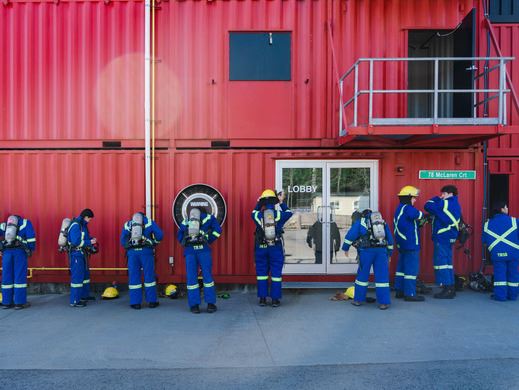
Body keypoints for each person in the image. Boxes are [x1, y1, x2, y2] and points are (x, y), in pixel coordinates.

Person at [342, 209, 394, 310]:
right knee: (382, 278)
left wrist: (345, 248)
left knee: (362, 276)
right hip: (381, 252)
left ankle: (358, 300)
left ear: (363, 215)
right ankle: (384, 303)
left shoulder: (361, 222)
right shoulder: (382, 222)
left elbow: (350, 235)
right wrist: (389, 253)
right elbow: (390, 239)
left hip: (366, 252)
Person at [251, 189, 293, 307]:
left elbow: (253, 211)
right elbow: (289, 212)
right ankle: (275, 300)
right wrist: (280, 202)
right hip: (275, 247)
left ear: (263, 202)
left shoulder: (258, 215)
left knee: (261, 274)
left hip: (261, 247)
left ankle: (262, 299)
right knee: (276, 274)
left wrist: (259, 203)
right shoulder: (279, 215)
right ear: (274, 201)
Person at [177, 207, 222, 314]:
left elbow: (179, 235)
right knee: (207, 277)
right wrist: (209, 240)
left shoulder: (187, 219)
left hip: (190, 252)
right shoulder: (209, 217)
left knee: (192, 278)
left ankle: (194, 306)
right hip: (204, 251)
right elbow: (218, 230)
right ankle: (210, 305)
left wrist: (185, 244)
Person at [424, 185, 461, 299]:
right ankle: (451, 287)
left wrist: (436, 198)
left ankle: (447, 288)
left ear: (450, 194)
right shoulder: (455, 204)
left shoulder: (445, 203)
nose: (442, 196)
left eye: (443, 194)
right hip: (450, 236)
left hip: (442, 236)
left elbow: (427, 205)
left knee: (442, 263)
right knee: (448, 263)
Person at [121, 212, 163, 309]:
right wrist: (154, 243)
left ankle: (136, 303)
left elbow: (123, 240)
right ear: (144, 216)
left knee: (134, 277)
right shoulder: (149, 222)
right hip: (146, 253)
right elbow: (160, 235)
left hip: (132, 254)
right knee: (149, 277)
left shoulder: (128, 224)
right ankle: (152, 302)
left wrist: (129, 246)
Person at [393, 185, 426, 302]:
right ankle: (410, 294)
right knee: (411, 270)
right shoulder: (407, 208)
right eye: (414, 198)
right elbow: (418, 215)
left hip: (402, 243)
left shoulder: (399, 208)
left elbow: (408, 223)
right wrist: (425, 216)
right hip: (411, 243)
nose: (415, 200)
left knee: (401, 268)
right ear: (408, 198)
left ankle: (399, 291)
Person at [482, 201, 519, 301]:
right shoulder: (515, 221)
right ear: (502, 209)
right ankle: (513, 295)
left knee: (499, 275)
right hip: (513, 253)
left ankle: (500, 296)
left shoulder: (487, 224)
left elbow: (484, 241)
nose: (507, 209)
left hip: (497, 254)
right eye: (506, 207)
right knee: (513, 274)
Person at [0, 215, 36, 309]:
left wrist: (1, 247)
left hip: (7, 253)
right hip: (20, 252)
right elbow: (31, 238)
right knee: (19, 276)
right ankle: (19, 303)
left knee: (6, 277)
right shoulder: (26, 223)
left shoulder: (5, 225)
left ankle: (6, 302)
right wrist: (30, 249)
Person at [68, 209, 97, 307]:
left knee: (85, 276)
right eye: (90, 219)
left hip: (82, 254)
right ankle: (75, 301)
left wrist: (91, 240)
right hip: (76, 254)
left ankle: (84, 296)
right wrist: (89, 242)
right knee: (77, 277)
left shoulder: (83, 225)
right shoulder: (76, 225)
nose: (90, 221)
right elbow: (76, 242)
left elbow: (84, 238)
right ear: (86, 217)